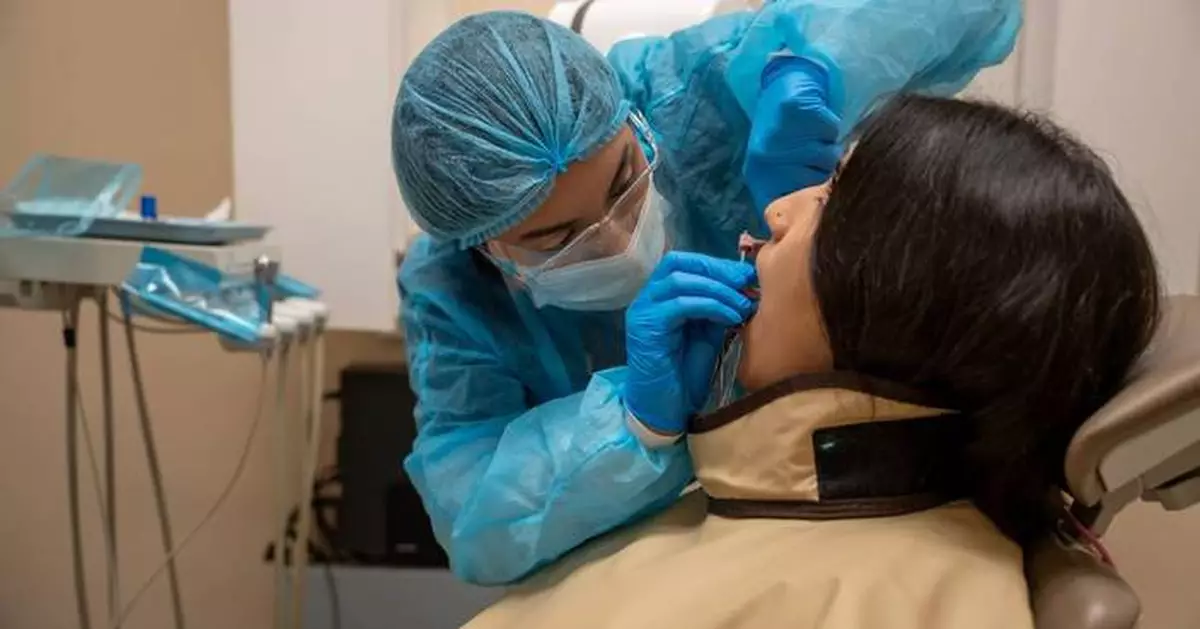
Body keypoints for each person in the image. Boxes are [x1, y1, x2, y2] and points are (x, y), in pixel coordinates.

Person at [460, 94, 1162, 629]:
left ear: (901, 296)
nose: (779, 211)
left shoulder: (887, 595)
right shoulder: (770, 493)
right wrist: (645, 430)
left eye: (831, 198)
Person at [392, 3, 1022, 584]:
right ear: (483, 247)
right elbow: (476, 524)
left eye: (623, 180)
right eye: (561, 238)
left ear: (636, 122)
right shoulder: (454, 293)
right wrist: (633, 424)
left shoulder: (696, 92)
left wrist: (820, 62)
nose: (619, 238)